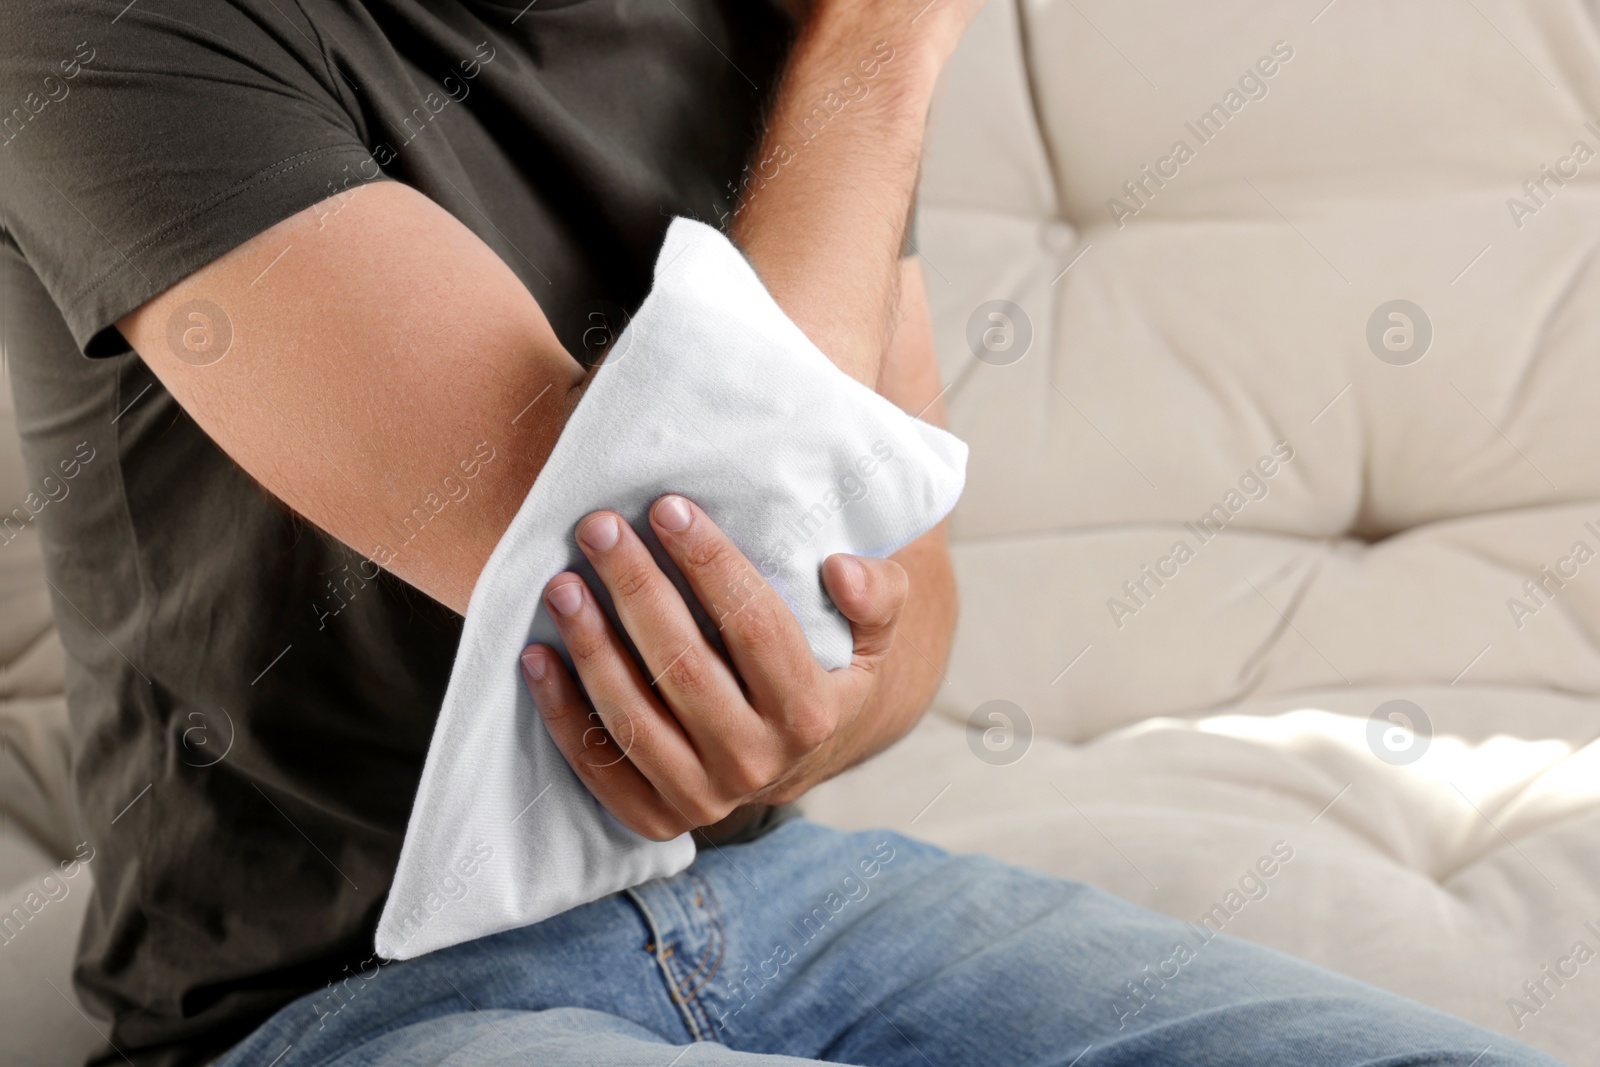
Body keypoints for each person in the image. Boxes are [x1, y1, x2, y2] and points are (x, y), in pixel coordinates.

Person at [0, 1, 1562, 1065]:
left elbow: (912, 596)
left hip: (783, 898)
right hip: (343, 1000)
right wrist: (885, 48)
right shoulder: (105, 36)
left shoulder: (771, 35)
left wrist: (801, 716)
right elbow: (636, 571)